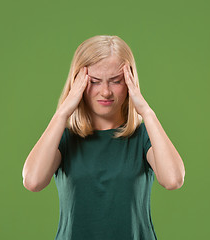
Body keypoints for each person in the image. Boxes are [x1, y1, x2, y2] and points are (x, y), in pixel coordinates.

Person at [22, 35, 185, 240]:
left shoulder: (143, 137)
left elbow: (173, 179)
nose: (105, 92)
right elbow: (33, 181)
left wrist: (146, 112)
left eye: (116, 81)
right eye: (95, 82)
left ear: (130, 82)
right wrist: (62, 113)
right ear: (78, 83)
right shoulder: (64, 139)